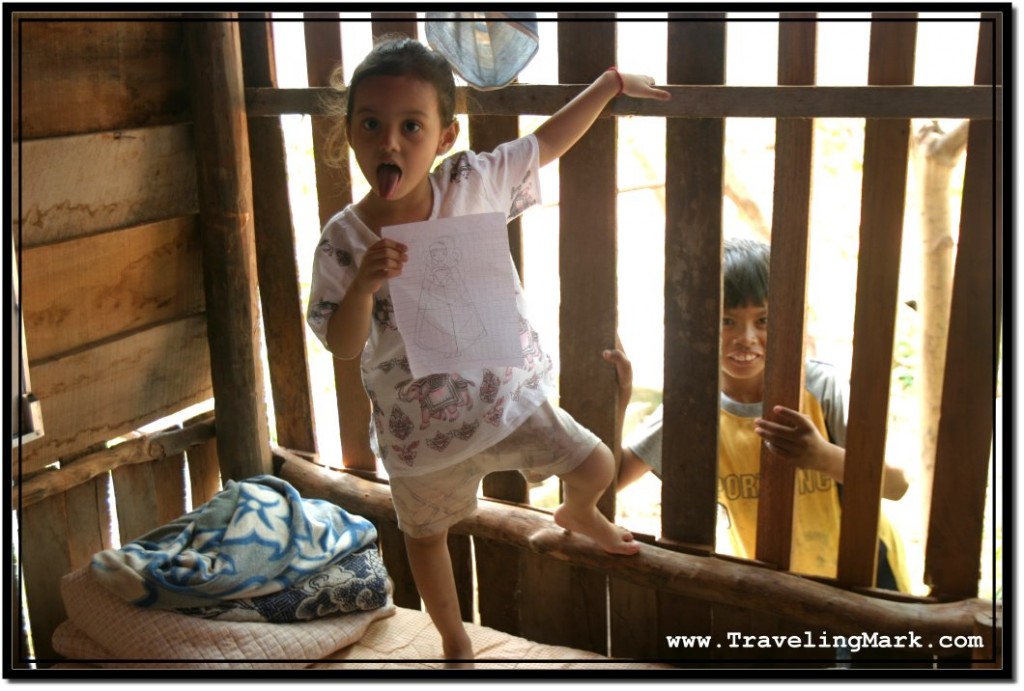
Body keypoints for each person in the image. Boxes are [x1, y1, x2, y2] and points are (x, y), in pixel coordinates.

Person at [306, 35, 671, 666]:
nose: (389, 143)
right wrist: (364, 285)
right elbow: (341, 343)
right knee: (427, 540)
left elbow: (547, 143)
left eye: (410, 126)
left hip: (507, 402)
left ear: (445, 137)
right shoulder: (345, 240)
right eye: (370, 124)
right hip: (420, 434)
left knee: (597, 468)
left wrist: (609, 83)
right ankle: (453, 640)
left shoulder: (473, 181)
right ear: (349, 131)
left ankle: (577, 513)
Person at [604, 238, 911, 592]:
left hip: (867, 578)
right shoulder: (692, 410)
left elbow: (896, 485)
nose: (745, 338)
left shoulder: (821, 387)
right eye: (726, 321)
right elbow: (611, 481)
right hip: (776, 590)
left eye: (763, 320)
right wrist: (621, 399)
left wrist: (823, 456)